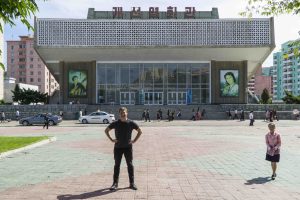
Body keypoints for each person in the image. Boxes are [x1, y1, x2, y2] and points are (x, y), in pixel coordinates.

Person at [105, 107, 142, 191]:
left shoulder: (131, 123)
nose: (123, 113)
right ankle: (115, 184)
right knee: (117, 165)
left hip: (128, 148)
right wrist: (111, 139)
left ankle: (132, 183)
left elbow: (140, 131)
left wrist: (134, 141)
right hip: (118, 148)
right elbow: (106, 130)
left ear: (127, 113)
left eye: (124, 112)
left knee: (130, 165)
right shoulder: (115, 123)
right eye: (121, 112)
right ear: (119, 114)